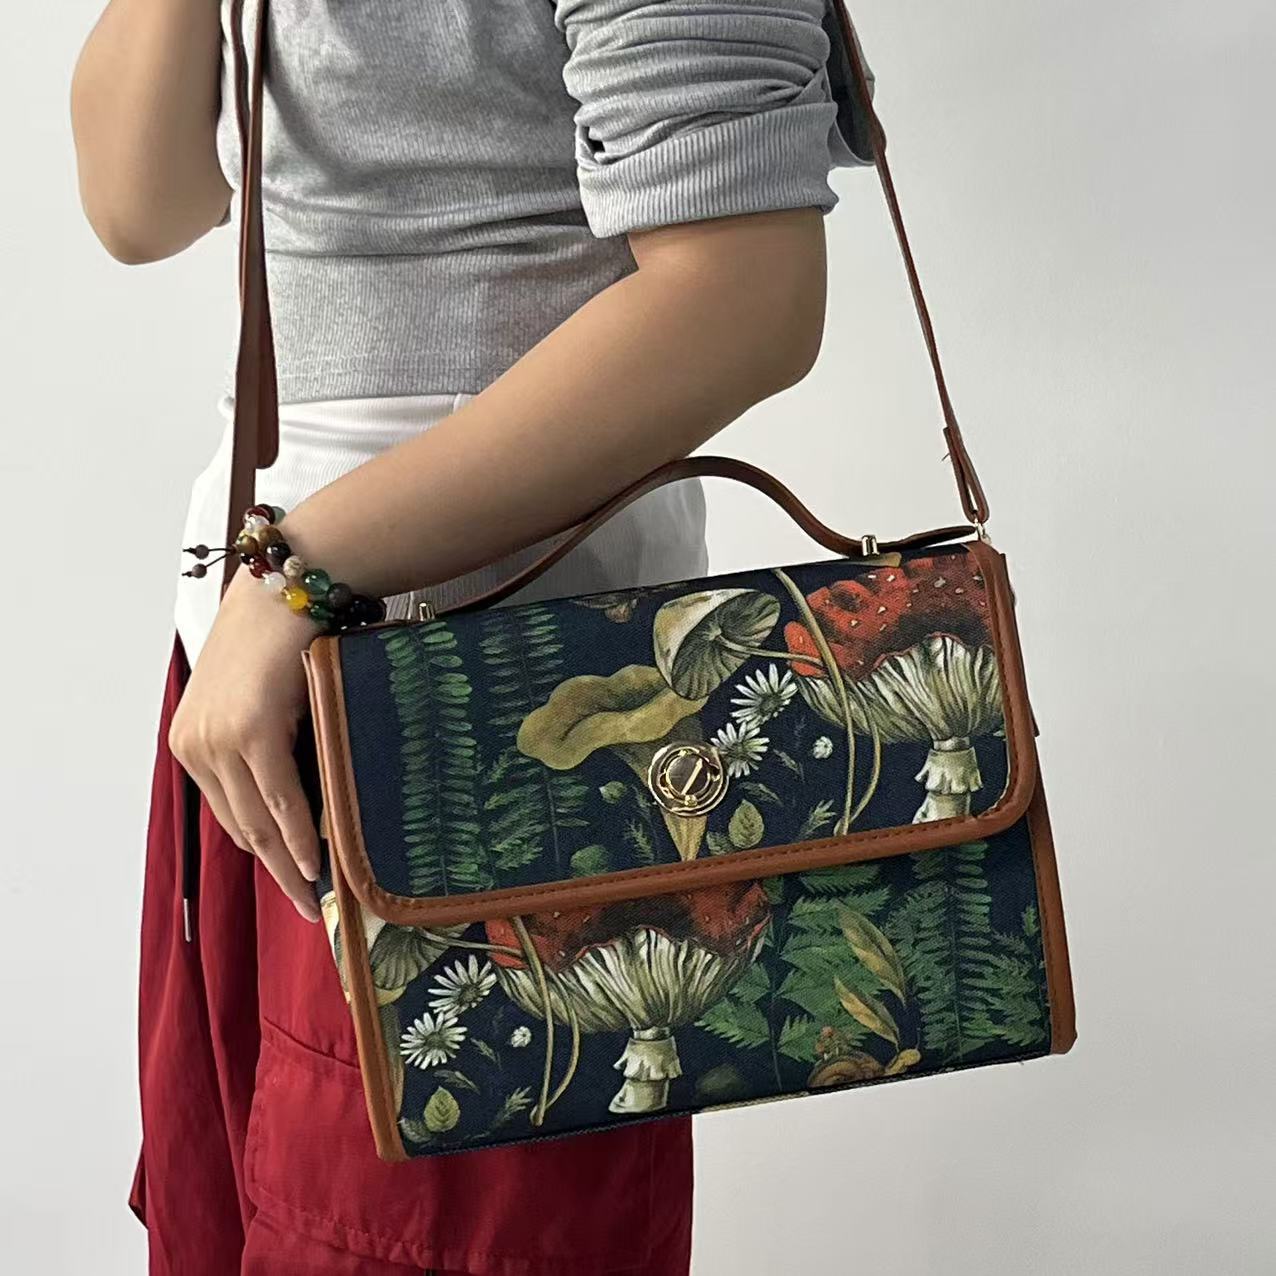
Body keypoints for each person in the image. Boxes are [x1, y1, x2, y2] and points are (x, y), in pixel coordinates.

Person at [71, 1, 868, 1271]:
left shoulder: (326, 601)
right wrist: (276, 596)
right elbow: (144, 205)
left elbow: (747, 297)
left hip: (493, 711)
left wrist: (301, 579)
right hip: (255, 686)